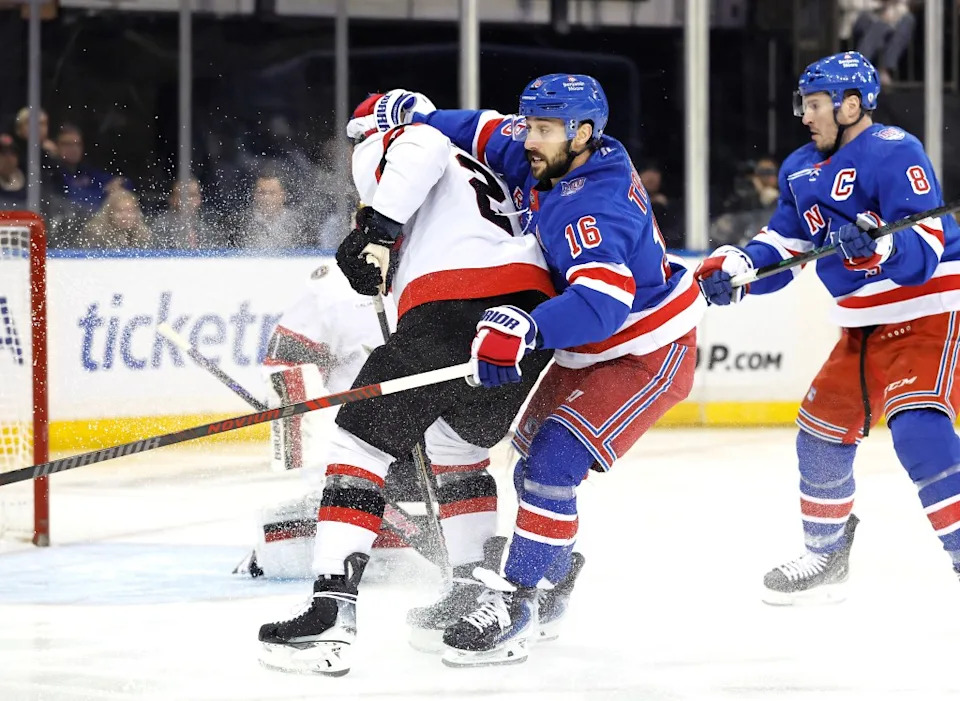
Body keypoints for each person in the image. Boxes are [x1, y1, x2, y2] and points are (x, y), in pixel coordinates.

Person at [256, 91, 556, 675]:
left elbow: (423, 142)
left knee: (354, 447)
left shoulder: (394, 140)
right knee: (456, 449)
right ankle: (472, 594)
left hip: (459, 298)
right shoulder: (486, 167)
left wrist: (375, 229)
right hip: (526, 317)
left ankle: (329, 614)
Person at [411, 74, 705, 666]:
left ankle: (517, 602)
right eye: (533, 126)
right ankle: (555, 570)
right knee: (532, 469)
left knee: (553, 466)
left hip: (643, 348)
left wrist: (527, 328)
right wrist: (410, 113)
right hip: (588, 347)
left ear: (584, 133)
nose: (530, 141)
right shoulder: (549, 153)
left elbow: (602, 301)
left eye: (545, 130)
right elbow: (481, 129)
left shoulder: (593, 205)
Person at [695, 51, 960, 605]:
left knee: (917, 430)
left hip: (926, 315)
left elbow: (927, 249)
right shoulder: (798, 169)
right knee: (818, 432)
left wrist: (882, 244)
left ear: (852, 105)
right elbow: (785, 247)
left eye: (815, 104)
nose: (805, 115)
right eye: (804, 104)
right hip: (860, 331)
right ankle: (826, 555)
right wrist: (741, 268)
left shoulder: (894, 149)